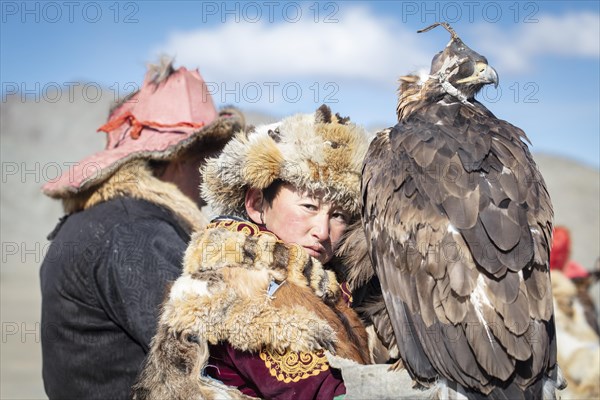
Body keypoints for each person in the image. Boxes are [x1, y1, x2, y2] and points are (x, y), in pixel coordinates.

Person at [132, 105, 373, 399]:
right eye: (309, 206)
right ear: (257, 204)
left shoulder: (320, 281)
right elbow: (322, 393)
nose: (322, 231)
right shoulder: (244, 286)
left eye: (339, 215)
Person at [39, 59, 244, 399]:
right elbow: (209, 355)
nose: (210, 180)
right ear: (180, 159)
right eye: (205, 162)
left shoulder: (105, 220)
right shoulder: (137, 232)